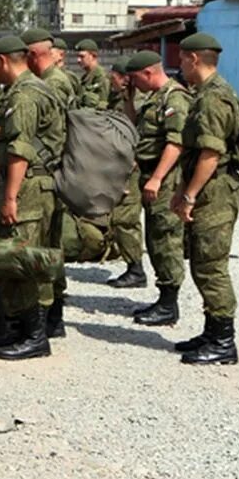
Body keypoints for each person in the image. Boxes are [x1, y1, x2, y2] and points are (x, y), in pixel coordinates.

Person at [0, 36, 65, 360]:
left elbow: (21, 148)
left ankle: (35, 336)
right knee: (17, 256)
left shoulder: (26, 94)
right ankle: (22, 326)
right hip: (29, 184)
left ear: (2, 61)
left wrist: (11, 197)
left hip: (29, 188)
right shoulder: (31, 88)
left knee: (24, 257)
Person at [170, 33, 239, 365]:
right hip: (207, 189)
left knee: (211, 266)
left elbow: (211, 154)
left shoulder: (214, 98)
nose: (180, 65)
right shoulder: (205, 94)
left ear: (194, 59)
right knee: (201, 262)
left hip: (215, 193)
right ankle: (212, 332)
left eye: (182, 59)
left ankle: (224, 341)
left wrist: (189, 195)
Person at [118, 51, 190, 315]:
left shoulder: (174, 98)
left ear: (148, 73)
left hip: (167, 178)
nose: (134, 84)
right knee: (154, 236)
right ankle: (163, 298)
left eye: (135, 79)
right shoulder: (154, 98)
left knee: (166, 237)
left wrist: (158, 178)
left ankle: (169, 303)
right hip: (149, 173)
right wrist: (127, 99)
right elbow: (134, 127)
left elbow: (176, 142)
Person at [21, 28, 71, 336]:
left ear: (32, 55)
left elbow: (49, 133)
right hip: (51, 173)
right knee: (50, 247)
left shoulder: (52, 84)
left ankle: (44, 323)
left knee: (42, 249)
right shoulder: (49, 82)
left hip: (46, 175)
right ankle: (52, 320)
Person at [105, 55, 148, 288]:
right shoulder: (123, 98)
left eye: (113, 76)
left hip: (132, 166)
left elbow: (137, 134)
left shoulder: (139, 101)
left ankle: (136, 269)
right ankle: (133, 265)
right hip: (120, 163)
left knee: (126, 218)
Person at [75, 39, 110, 109]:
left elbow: (103, 104)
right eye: (78, 56)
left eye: (82, 56)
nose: (78, 60)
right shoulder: (85, 77)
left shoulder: (101, 76)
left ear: (93, 56)